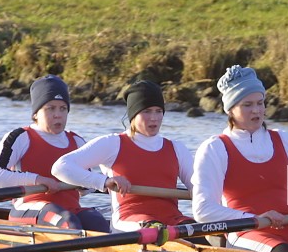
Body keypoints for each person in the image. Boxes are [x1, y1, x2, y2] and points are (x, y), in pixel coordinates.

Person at [192, 66, 288, 252]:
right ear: (230, 110)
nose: (257, 110)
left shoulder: (283, 140)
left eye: (260, 103)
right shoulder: (215, 148)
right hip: (248, 230)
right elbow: (203, 210)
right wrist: (254, 219)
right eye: (247, 105)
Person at [52, 80, 193, 232]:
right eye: (147, 111)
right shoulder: (112, 144)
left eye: (158, 111)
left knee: (202, 232)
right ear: (133, 114)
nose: (154, 118)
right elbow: (61, 167)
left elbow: (198, 186)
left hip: (171, 218)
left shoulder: (177, 148)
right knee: (155, 230)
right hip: (129, 219)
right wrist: (104, 181)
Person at [0, 75, 110, 232]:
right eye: (51, 108)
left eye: (63, 109)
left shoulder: (77, 141)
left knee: (99, 224)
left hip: (69, 208)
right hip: (29, 208)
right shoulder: (20, 137)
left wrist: (106, 183)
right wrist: (38, 180)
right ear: (36, 113)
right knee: (68, 222)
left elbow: (85, 189)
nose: (58, 114)